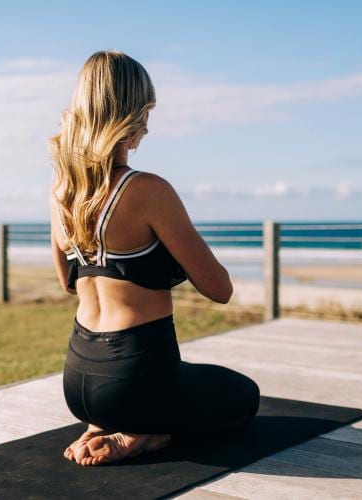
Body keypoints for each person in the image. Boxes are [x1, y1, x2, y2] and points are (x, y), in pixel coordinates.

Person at [48, 50, 260, 467]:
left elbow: (68, 283)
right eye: (147, 112)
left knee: (195, 378)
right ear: (133, 114)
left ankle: (102, 422)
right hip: (136, 380)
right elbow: (220, 290)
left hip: (77, 382)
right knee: (242, 395)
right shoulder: (148, 190)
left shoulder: (60, 192)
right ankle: (144, 432)